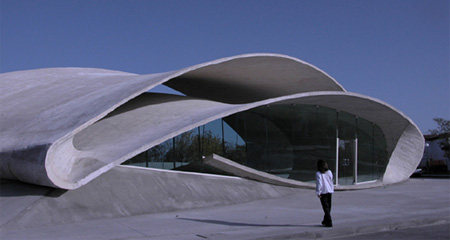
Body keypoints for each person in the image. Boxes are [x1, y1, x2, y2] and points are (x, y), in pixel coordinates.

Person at [315, 159, 334, 227]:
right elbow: (331, 180)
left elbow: (319, 184)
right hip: (329, 191)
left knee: (325, 207)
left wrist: (318, 192)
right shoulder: (329, 172)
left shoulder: (318, 174)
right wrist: (332, 189)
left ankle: (329, 221)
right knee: (328, 207)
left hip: (323, 192)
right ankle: (325, 220)